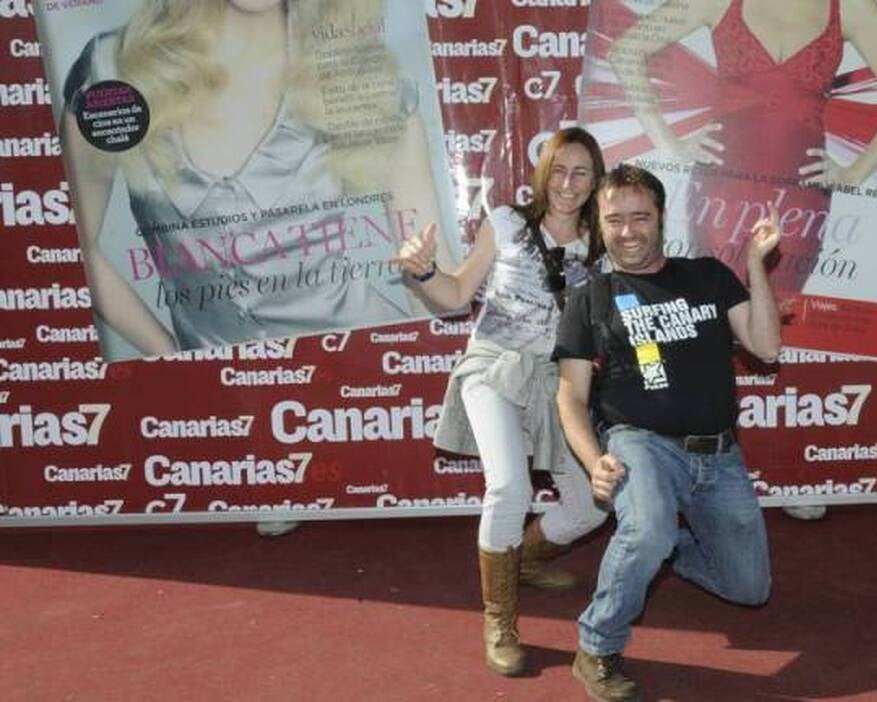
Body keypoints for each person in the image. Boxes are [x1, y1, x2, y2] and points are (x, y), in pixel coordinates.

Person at [58, 0, 448, 356]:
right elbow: (69, 245)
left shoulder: (364, 78)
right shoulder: (113, 69)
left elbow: (431, 284)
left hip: (365, 372)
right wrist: (170, 357)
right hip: (218, 402)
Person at [554, 164, 781, 701]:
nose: (627, 231)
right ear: (600, 224)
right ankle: (598, 645)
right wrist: (595, 461)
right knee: (647, 528)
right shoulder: (590, 298)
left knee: (749, 589)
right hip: (640, 441)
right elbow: (570, 396)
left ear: (660, 219)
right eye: (614, 220)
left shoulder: (707, 275)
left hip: (718, 453)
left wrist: (754, 264)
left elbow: (768, 347)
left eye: (640, 218)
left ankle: (661, 548)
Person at [395, 127, 610, 677]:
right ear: (543, 173)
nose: (568, 183)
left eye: (581, 172)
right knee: (509, 487)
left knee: (591, 507)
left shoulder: (602, 242)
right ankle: (500, 620)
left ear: (596, 181)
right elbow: (455, 294)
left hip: (558, 382)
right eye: (559, 170)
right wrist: (422, 269)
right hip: (493, 367)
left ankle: (527, 560)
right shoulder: (508, 223)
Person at [606, 0, 877, 293]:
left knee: (770, 325)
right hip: (722, 197)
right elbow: (625, 51)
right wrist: (667, 143)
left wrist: (855, 173)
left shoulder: (851, 8)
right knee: (717, 312)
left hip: (799, 201)